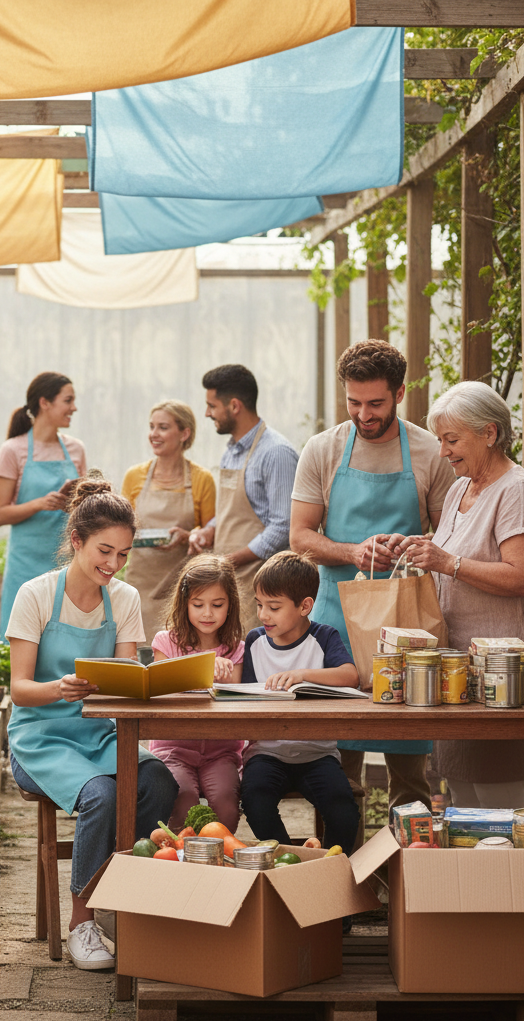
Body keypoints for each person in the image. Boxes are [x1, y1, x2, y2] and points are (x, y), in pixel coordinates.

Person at [6, 474, 177, 971]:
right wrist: (60, 688)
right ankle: (84, 920)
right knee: (102, 794)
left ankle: (130, 900)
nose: (114, 564)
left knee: (158, 781)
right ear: (76, 541)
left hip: (101, 732)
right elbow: (19, 690)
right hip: (40, 737)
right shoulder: (35, 595)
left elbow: (124, 674)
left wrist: (140, 680)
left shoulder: (123, 599)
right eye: (105, 551)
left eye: (123, 554)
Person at [290, 340, 455, 816]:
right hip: (336, 625)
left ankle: (403, 882)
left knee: (411, 780)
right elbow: (299, 536)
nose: (364, 413)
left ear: (400, 393)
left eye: (376, 403)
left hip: (408, 627)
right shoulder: (323, 449)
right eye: (353, 402)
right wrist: (352, 550)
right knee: (336, 778)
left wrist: (411, 547)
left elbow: (446, 537)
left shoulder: (429, 451)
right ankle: (341, 885)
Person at [394, 382, 524, 809]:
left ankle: (507, 878)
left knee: (499, 803)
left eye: (452, 440)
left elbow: (521, 575)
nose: (443, 452)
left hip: (504, 666)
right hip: (459, 665)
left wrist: (446, 563)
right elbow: (456, 548)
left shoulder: (517, 490)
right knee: (462, 797)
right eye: (441, 440)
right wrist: (415, 545)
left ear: (489, 433)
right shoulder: (461, 488)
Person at [238, 551, 361, 856]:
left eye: (274, 607)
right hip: (267, 753)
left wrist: (302, 675)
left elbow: (351, 675)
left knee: (343, 810)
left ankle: (330, 870)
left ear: (305, 606)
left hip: (317, 753)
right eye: (259, 605)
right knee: (255, 800)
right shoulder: (254, 641)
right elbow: (247, 695)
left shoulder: (324, 637)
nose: (263, 615)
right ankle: (293, 861)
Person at [189, 365, 298, 633]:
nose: (206, 413)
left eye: (211, 406)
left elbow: (283, 527)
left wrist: (231, 560)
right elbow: (228, 512)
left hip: (260, 587)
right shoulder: (232, 451)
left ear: (235, 406)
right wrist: (209, 530)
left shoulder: (276, 453)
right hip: (230, 584)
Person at [148, 554, 245, 832]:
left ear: (230, 605)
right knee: (183, 798)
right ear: (184, 603)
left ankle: (217, 860)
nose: (207, 613)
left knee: (226, 803)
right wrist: (204, 669)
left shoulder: (236, 648)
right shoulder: (166, 642)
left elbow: (233, 698)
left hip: (221, 750)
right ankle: (182, 863)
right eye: (198, 604)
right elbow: (161, 687)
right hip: (173, 747)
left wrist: (221, 678)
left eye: (217, 605)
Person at [0, 372, 86, 641]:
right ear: (45, 403)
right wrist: (39, 504)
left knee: (65, 637)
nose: (74, 407)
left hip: (67, 562)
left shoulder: (76, 449)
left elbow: (85, 507)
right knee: (24, 637)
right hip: (25, 564)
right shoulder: (12, 450)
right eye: (68, 400)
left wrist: (75, 502)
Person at [121, 401, 216, 642]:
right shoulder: (134, 476)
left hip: (182, 585)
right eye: (152, 427)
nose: (154, 434)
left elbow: (213, 532)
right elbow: (120, 526)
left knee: (178, 650)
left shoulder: (201, 479)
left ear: (184, 434)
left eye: (163, 427)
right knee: (138, 650)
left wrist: (189, 535)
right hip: (140, 583)